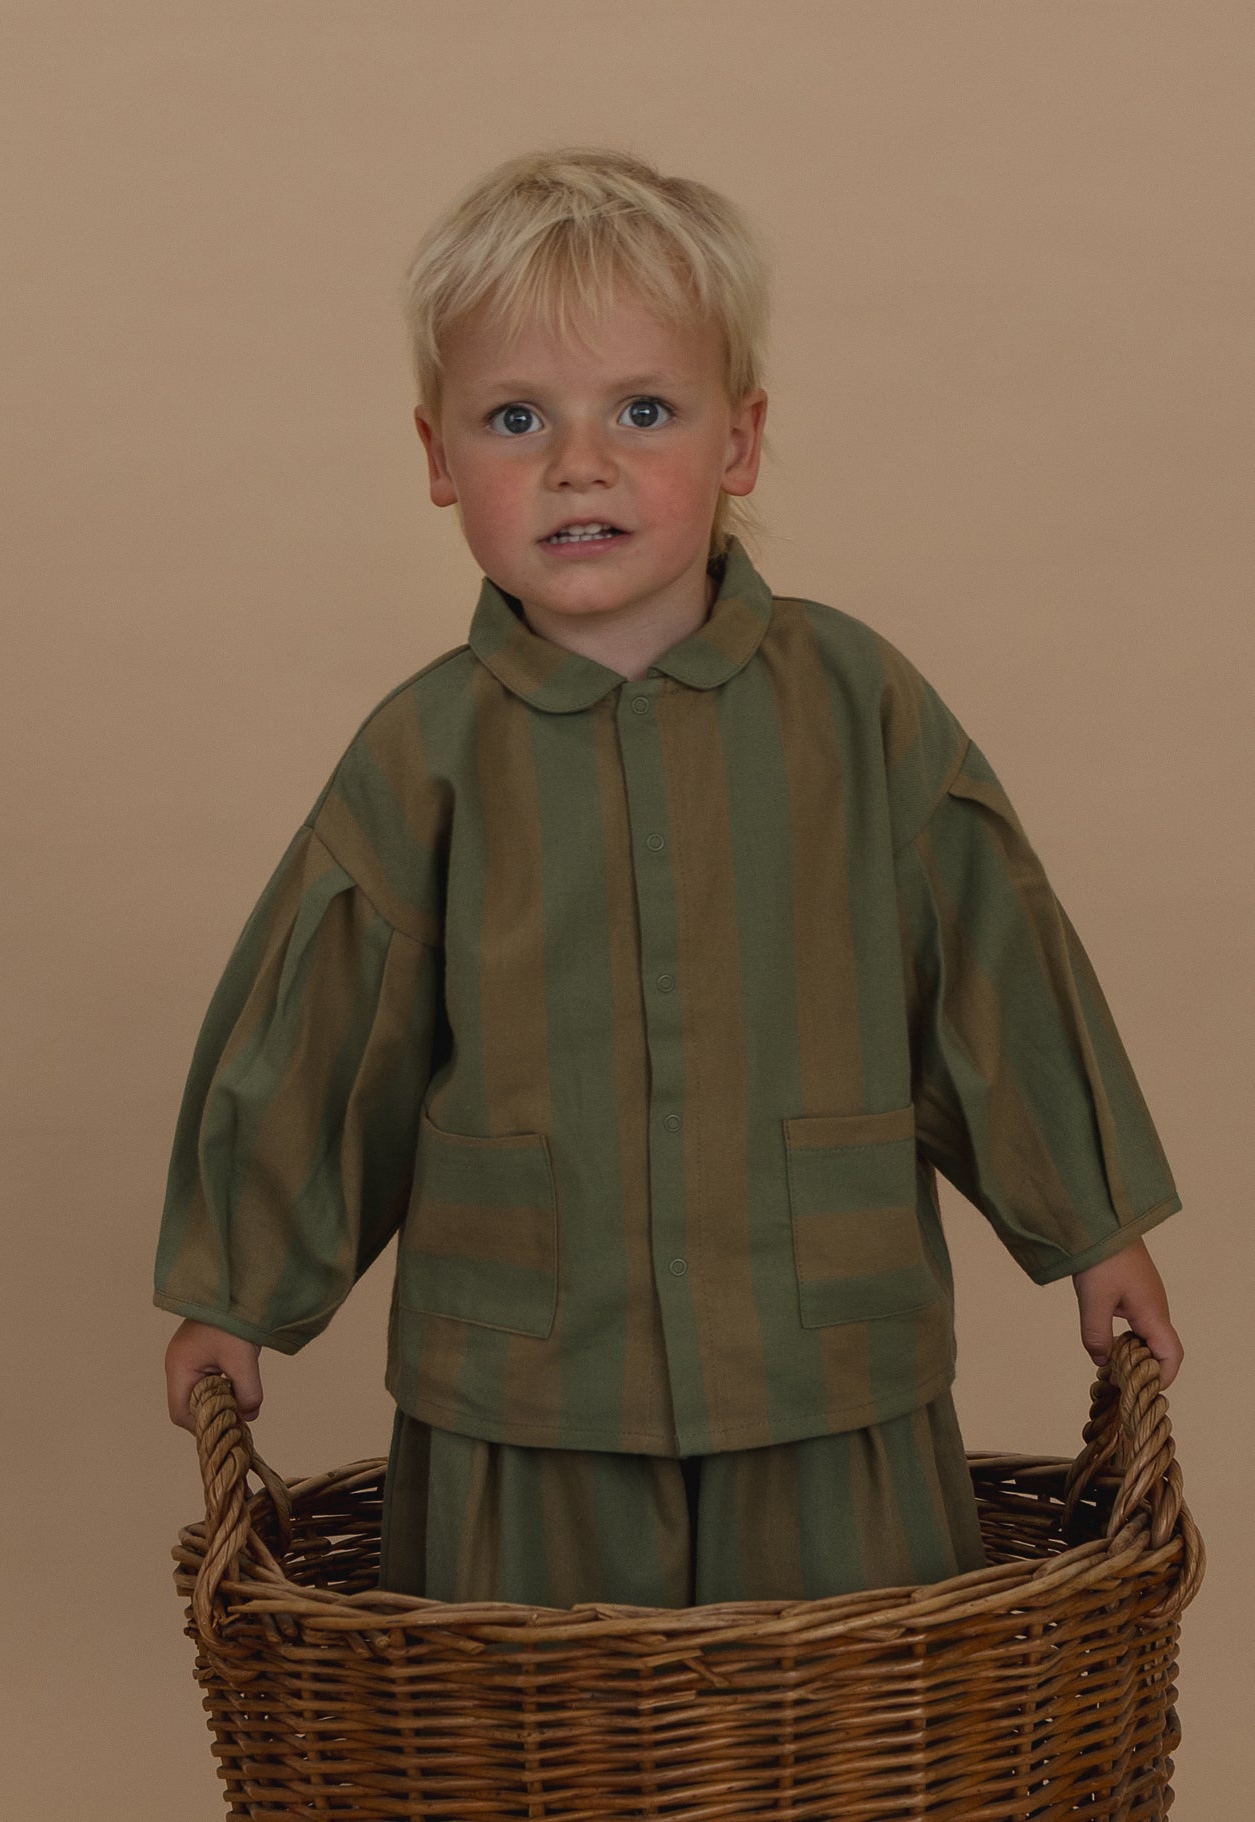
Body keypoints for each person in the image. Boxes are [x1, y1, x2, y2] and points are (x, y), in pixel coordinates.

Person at [156, 146, 1183, 1610]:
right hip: (524, 1385)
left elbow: (990, 969)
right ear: (439, 459)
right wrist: (234, 1294)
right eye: (517, 417)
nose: (579, 463)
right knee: (520, 1716)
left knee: (852, 1709)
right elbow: (323, 1036)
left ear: (740, 440)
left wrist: (1091, 1226)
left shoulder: (859, 706)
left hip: (828, 1361)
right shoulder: (421, 755)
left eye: (643, 411)